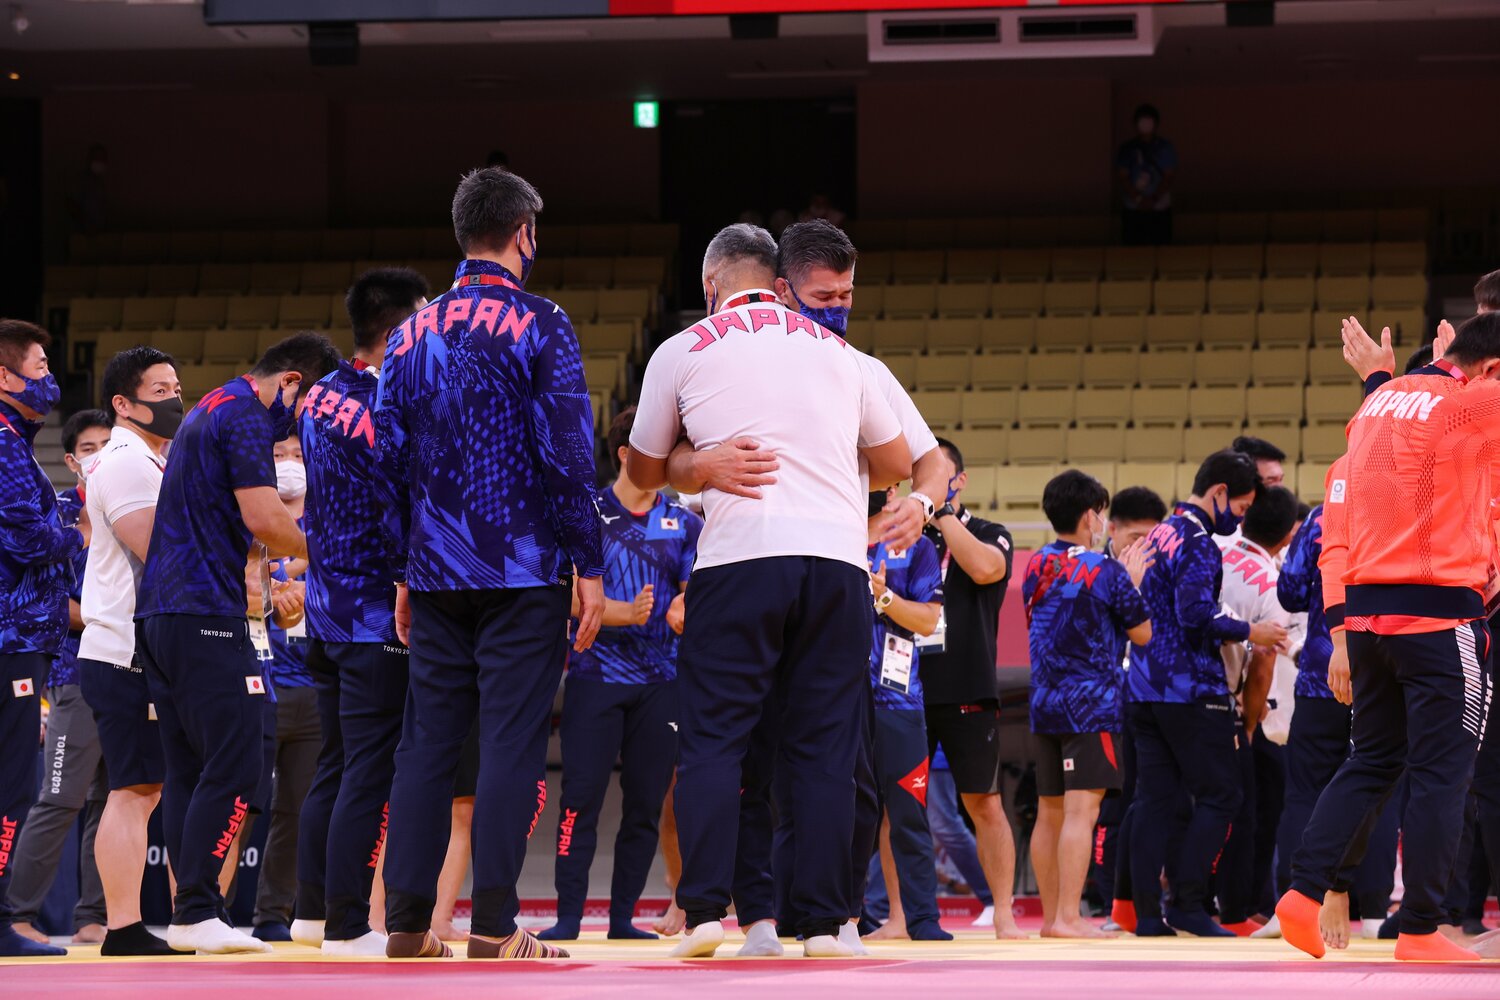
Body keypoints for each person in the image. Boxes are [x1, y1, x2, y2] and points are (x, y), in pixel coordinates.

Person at [627, 223, 910, 959]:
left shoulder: (683, 348)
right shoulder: (842, 353)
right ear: (779, 282)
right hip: (837, 562)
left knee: (718, 743)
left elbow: (644, 469)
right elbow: (892, 461)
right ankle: (823, 922)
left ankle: (703, 914)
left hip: (740, 559)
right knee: (823, 749)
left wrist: (699, 462)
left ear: (708, 283)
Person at [375, 167, 605, 961]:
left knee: (426, 744)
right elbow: (569, 453)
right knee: (509, 744)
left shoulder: (410, 333)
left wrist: (403, 571)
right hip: (523, 570)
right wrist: (592, 563)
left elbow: (387, 463)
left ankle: (406, 924)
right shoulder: (540, 321)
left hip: (435, 573)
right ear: (524, 233)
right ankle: (497, 927)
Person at [1277, 312, 1500, 963]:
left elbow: (1411, 427)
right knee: (1442, 775)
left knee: (1371, 761)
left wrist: (1383, 371)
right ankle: (1423, 927)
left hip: (1367, 619)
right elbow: (1459, 414)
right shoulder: (1472, 401)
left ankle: (1303, 890)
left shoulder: (1379, 402)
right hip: (1437, 617)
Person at [134, 331, 337, 954]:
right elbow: (266, 518)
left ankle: (192, 911)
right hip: (205, 615)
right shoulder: (246, 415)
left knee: (193, 768)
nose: (307, 423)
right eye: (313, 405)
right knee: (242, 760)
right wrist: (338, 554)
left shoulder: (210, 408)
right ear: (293, 382)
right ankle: (197, 908)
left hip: (166, 616)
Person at [292, 266, 428, 956]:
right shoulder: (380, 411)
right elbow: (392, 513)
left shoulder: (318, 397)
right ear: (399, 330)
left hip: (325, 613)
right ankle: (347, 924)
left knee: (337, 765)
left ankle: (312, 913)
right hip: (376, 616)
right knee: (367, 771)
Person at [539, 407, 701, 943]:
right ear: (627, 455)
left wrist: (682, 605)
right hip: (593, 677)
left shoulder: (683, 521)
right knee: (580, 799)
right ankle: (567, 915)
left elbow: (695, 587)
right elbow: (558, 590)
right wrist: (616, 612)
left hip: (661, 683)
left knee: (645, 804)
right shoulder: (584, 513)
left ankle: (622, 919)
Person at [1125, 449, 1286, 937]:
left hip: (1144, 686)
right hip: (1191, 689)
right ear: (1218, 493)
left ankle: (1149, 914)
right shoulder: (1197, 542)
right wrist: (1250, 630)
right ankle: (1190, 904)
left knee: (1153, 800)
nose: (1237, 519)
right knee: (1223, 794)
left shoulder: (1160, 531)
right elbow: (1197, 615)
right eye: (1237, 509)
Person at [73, 346, 181, 956]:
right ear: (124, 402)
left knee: (146, 789)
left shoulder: (149, 459)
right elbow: (158, 554)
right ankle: (123, 926)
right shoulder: (123, 462)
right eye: (160, 389)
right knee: (133, 790)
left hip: (137, 649)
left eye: (175, 387)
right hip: (122, 651)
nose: (173, 398)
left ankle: (137, 922)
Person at [1024, 470, 1153, 939]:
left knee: (1049, 812)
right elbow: (1143, 633)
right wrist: (1132, 582)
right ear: (1087, 515)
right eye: (1100, 512)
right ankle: (1070, 919)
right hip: (1092, 706)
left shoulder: (1035, 564)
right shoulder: (1107, 570)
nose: (1102, 521)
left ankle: (1052, 916)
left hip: (1044, 703)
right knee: (1083, 813)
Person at [4, 409, 109, 947]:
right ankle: (16, 913)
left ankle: (94, 915)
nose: (99, 455)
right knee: (60, 796)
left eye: (107, 445)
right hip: (76, 671)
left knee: (117, 796)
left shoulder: (138, 506)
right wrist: (109, 616)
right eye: (88, 448)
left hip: (134, 669)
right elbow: (54, 600)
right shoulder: (58, 515)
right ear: (71, 461)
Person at [918, 438, 1026, 939]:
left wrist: (941, 514)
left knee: (983, 803)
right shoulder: (904, 536)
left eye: (939, 474)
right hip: (905, 689)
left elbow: (986, 568)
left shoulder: (988, 532)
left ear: (958, 480)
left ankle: (1002, 912)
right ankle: (901, 915)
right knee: (897, 806)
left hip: (967, 687)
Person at [0, 319, 79, 957]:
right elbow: (31, 540)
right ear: (6, 375)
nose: (48, 376)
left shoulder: (16, 441)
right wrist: (72, 526)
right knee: (10, 783)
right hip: (10, 640)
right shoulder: (1, 444)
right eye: (40, 364)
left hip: (21, 638)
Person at [861, 487, 949, 943]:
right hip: (838, 701)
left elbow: (928, 620)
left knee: (909, 816)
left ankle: (922, 920)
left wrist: (885, 597)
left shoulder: (918, 546)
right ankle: (840, 918)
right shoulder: (837, 534)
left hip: (899, 700)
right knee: (846, 813)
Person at [1213, 486, 1298, 935]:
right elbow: (1263, 661)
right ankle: (1236, 909)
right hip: (1232, 706)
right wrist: (1247, 724)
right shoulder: (1273, 581)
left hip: (1169, 690)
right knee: (1247, 813)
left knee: (1170, 804)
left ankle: (1172, 900)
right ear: (1287, 536)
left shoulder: (1212, 545)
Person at [250, 438, 319, 941]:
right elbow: (263, 584)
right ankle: (202, 911)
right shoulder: (255, 520)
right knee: (241, 802)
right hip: (261, 681)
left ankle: (276, 914)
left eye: (297, 451)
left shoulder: (333, 515)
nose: (289, 461)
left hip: (317, 684)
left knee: (298, 809)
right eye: (279, 453)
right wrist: (296, 570)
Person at [1095, 486, 1168, 931]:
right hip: (1102, 707)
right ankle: (1108, 905)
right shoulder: (1095, 571)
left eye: (1151, 539)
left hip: (1146, 704)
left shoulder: (1159, 569)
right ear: (1112, 529)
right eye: (1136, 536)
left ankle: (1132, 901)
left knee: (1147, 802)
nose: (1143, 547)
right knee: (1109, 810)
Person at [1115, 104, 1176, 246]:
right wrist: (1138, 198)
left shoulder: (1165, 147)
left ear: (1156, 123)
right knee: (1134, 251)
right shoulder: (1127, 149)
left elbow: (1169, 176)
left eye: (1149, 120)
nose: (1146, 124)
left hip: (1160, 209)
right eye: (1143, 120)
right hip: (1133, 209)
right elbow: (1123, 177)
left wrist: (1153, 199)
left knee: (1161, 250)